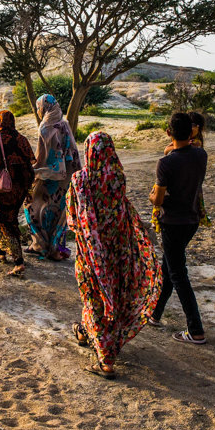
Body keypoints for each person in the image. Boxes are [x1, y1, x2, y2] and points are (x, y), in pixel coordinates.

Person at [67, 131, 162, 380]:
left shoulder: (80, 180)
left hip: (91, 252)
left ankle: (106, 361)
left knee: (95, 297)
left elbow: (73, 218)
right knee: (112, 295)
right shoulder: (118, 177)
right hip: (118, 249)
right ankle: (88, 333)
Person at [149, 113, 209, 345]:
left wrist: (151, 195)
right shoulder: (200, 155)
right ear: (192, 132)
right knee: (170, 267)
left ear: (168, 132)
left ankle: (196, 329)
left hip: (172, 222)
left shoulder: (166, 163)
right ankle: (155, 313)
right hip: (191, 220)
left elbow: (158, 199)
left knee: (177, 274)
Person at [24, 94, 81, 261]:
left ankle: (39, 245)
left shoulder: (45, 127)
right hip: (65, 179)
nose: (38, 110)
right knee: (59, 212)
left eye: (38, 107)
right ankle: (56, 249)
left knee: (30, 206)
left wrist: (30, 169)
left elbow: (41, 159)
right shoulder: (64, 125)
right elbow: (73, 153)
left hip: (48, 176)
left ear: (44, 108)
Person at [0, 110, 36, 277]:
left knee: (3, 220)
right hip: (19, 189)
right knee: (9, 218)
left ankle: (18, 262)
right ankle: (1, 252)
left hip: (3, 189)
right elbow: (30, 165)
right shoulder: (22, 139)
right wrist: (27, 190)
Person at [156, 110, 210, 230]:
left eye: (194, 125)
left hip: (174, 215)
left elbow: (167, 151)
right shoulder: (200, 152)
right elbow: (167, 150)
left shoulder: (196, 144)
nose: (191, 127)